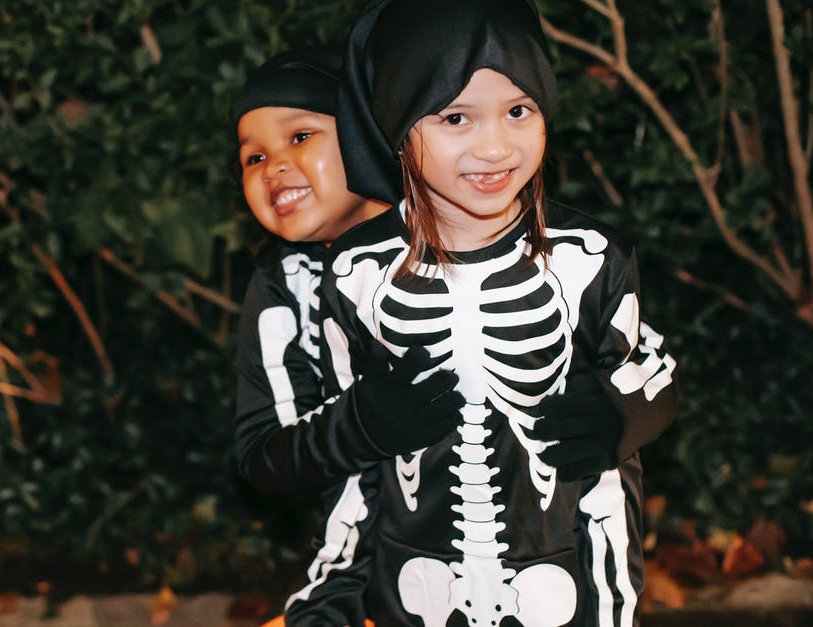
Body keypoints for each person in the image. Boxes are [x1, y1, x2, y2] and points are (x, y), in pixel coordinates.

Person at [316, 1, 681, 625]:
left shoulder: (591, 260)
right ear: (399, 127)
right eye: (456, 117)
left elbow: (651, 372)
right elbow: (348, 458)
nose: (495, 147)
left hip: (560, 583)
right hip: (414, 586)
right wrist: (332, 597)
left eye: (519, 110)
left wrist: (621, 417)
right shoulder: (358, 274)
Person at [232, 46, 451, 626]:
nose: (272, 166)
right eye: (253, 156)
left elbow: (632, 372)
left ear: (362, 133)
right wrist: (363, 425)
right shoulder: (283, 282)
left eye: (299, 136)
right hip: (359, 581)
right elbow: (262, 453)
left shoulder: (465, 234)